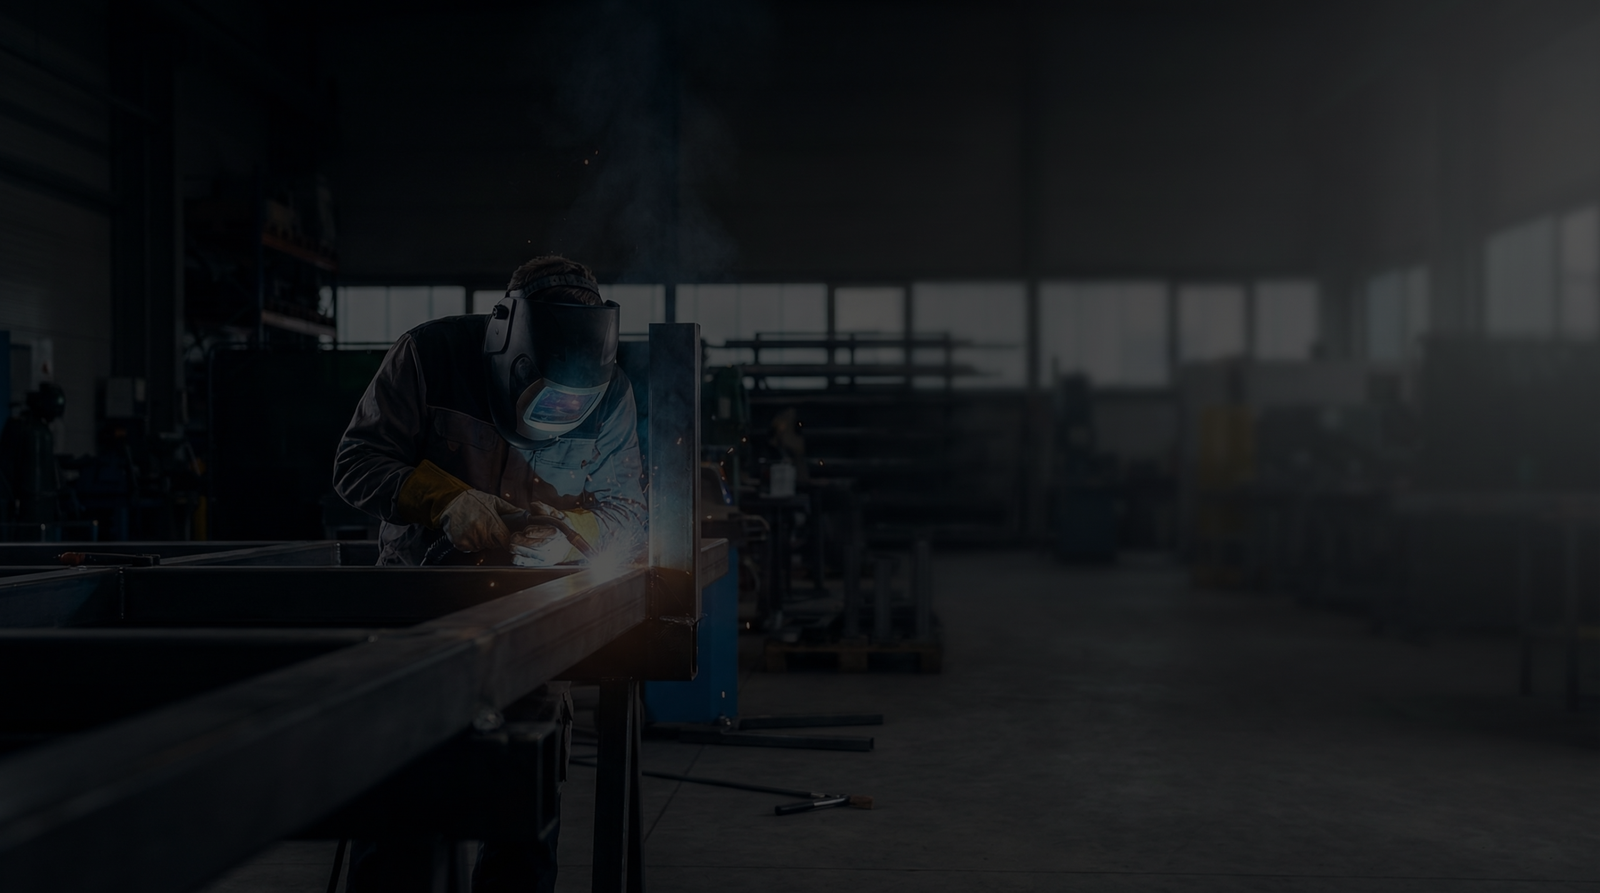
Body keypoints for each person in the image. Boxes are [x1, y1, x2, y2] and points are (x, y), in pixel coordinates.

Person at [332, 255, 646, 892]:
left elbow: (628, 508)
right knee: (399, 828)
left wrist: (570, 538)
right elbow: (355, 462)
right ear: (507, 347)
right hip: (417, 620)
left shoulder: (611, 395)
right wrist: (442, 500)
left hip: (532, 630)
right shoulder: (429, 354)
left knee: (521, 827)